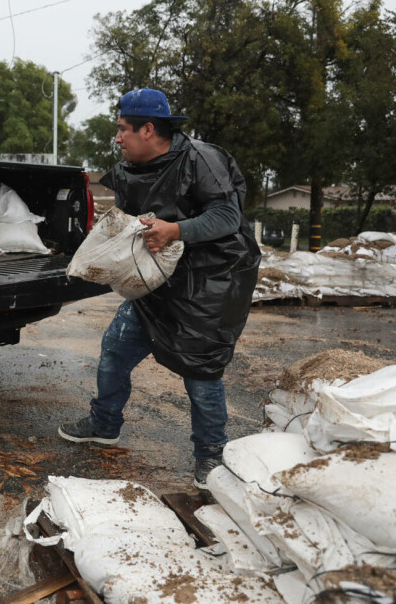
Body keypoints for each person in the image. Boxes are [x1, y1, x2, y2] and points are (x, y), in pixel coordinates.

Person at [58, 88, 260, 489]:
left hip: (209, 283)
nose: (117, 138)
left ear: (148, 129)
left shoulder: (202, 159)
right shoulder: (133, 168)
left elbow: (227, 215)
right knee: (115, 349)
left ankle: (211, 456)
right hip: (157, 278)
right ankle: (105, 423)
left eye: (122, 129)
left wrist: (176, 230)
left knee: (200, 371)